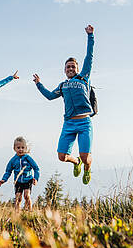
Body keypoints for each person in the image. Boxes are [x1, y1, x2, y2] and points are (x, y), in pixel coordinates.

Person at [33, 24, 95, 184]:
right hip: (68, 124)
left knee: (85, 156)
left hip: (84, 123)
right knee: (62, 157)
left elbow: (89, 56)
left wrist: (90, 36)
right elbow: (49, 96)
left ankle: (87, 167)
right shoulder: (62, 85)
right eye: (68, 67)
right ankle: (76, 163)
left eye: (73, 66)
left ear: (78, 69)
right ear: (64, 70)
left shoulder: (83, 78)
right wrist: (39, 84)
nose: (70, 68)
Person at [0, 136, 40, 210]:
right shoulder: (13, 160)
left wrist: (36, 178)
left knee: (27, 196)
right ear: (14, 148)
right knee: (18, 198)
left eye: (22, 147)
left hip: (28, 180)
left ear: (26, 148)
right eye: (18, 147)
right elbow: (8, 171)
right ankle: (17, 213)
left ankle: (30, 210)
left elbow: (36, 168)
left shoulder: (28, 158)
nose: (20, 149)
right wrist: (3, 180)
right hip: (18, 181)